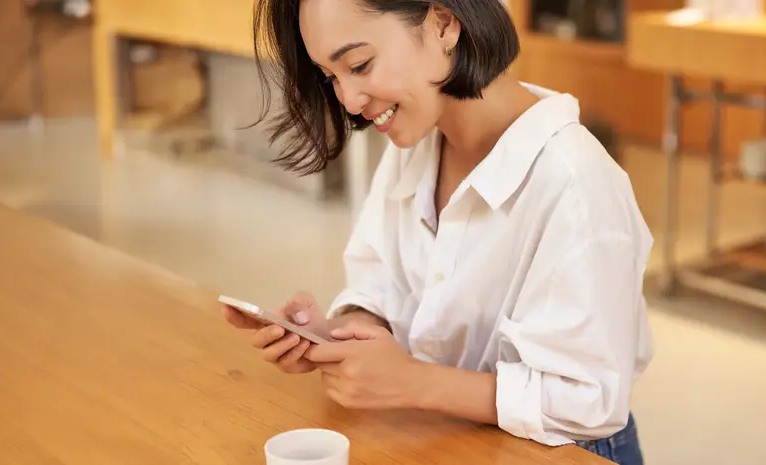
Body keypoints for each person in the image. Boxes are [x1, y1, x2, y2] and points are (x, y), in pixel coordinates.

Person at [220, 0, 654, 463]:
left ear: (443, 24)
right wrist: (342, 338)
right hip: (445, 437)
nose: (348, 99)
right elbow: (382, 286)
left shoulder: (575, 182)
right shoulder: (417, 140)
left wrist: (410, 381)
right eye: (331, 77)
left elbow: (588, 402)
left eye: (360, 64)